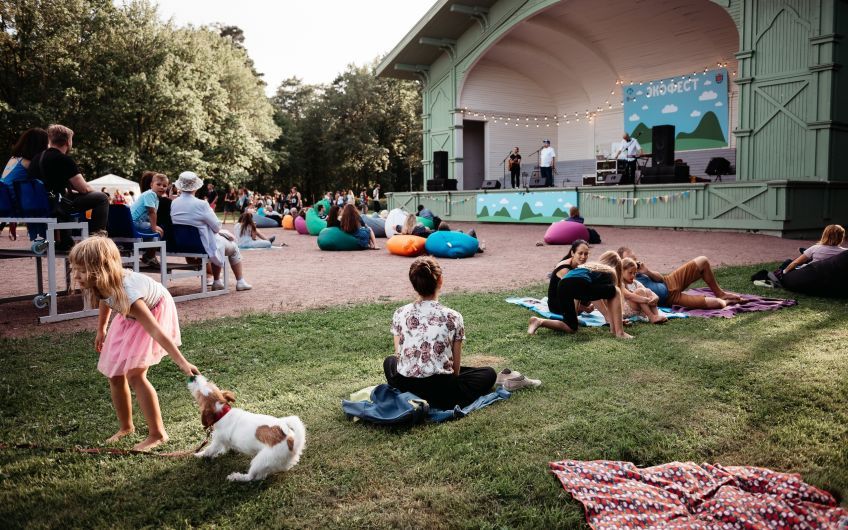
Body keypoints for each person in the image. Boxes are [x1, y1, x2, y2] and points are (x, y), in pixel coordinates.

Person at [68, 237, 199, 451]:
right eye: (75, 269)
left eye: (81, 270)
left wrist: (183, 363)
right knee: (115, 375)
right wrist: (102, 328)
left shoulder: (128, 291)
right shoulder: (102, 284)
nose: (76, 276)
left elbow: (155, 329)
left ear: (101, 269)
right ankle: (126, 427)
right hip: (127, 313)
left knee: (135, 374)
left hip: (152, 310)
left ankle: (157, 434)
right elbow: (105, 299)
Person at [383, 256, 497, 409]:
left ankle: (410, 397)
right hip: (441, 389)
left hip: (406, 385)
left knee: (390, 361)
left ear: (414, 284)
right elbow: (455, 370)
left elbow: (399, 355)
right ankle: (443, 400)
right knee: (488, 373)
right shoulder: (453, 316)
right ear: (440, 280)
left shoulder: (400, 313)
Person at [170, 171, 252, 291]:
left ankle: (218, 280)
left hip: (181, 244)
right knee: (232, 246)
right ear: (196, 187)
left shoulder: (174, 203)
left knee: (217, 242)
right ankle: (237, 281)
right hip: (201, 245)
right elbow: (217, 227)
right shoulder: (201, 204)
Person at [528, 250, 632, 339]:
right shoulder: (609, 271)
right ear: (616, 267)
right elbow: (608, 298)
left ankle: (539, 321)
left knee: (571, 327)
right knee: (616, 291)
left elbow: (577, 292)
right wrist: (614, 319)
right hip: (579, 284)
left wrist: (575, 315)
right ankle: (619, 333)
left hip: (563, 285)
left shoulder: (589, 267)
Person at [27, 124, 109, 236]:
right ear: (68, 142)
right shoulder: (63, 159)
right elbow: (84, 188)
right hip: (57, 205)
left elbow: (49, 184)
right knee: (101, 198)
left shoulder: (36, 158)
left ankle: (65, 240)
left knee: (71, 196)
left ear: (50, 140)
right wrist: (96, 192)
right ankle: (97, 239)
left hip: (39, 204)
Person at [616, 247, 742, 309]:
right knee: (717, 304)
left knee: (702, 261)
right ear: (621, 263)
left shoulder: (639, 268)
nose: (634, 262)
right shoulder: (621, 279)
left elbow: (660, 278)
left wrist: (647, 271)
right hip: (669, 298)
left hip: (669, 281)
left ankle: (720, 293)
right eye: (629, 260)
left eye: (635, 258)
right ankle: (725, 301)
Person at [1, 127, 49, 241]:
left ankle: (38, 240)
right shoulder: (29, 163)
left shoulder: (14, 159)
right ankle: (47, 240)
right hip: (16, 204)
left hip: (4, 203)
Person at [131, 172, 169, 267]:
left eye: (164, 186)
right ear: (151, 185)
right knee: (158, 232)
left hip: (135, 223)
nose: (161, 187)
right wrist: (153, 227)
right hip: (135, 223)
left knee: (158, 231)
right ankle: (149, 256)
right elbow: (152, 212)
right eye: (158, 184)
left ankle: (149, 255)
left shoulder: (154, 197)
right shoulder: (150, 194)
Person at [620, 258, 667, 324]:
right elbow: (629, 296)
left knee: (647, 290)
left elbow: (650, 292)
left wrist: (655, 298)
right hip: (625, 310)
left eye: (635, 273)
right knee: (640, 291)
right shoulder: (619, 283)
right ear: (621, 272)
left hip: (637, 309)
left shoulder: (635, 283)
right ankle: (651, 317)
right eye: (630, 273)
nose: (633, 275)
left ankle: (656, 316)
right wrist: (647, 300)